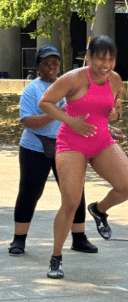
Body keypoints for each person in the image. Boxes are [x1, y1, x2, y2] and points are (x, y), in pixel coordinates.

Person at [39, 36, 128, 279]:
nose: (106, 64)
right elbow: (46, 103)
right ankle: (56, 257)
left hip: (102, 140)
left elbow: (116, 108)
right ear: (89, 57)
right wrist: (71, 121)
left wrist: (115, 113)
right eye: (101, 58)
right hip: (71, 142)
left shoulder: (115, 79)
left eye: (111, 59)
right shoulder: (73, 79)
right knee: (71, 202)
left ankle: (100, 210)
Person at [8, 45, 98, 257]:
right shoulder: (33, 89)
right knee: (30, 193)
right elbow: (28, 121)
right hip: (35, 146)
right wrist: (56, 112)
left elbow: (86, 115)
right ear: (39, 65)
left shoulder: (68, 86)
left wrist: (108, 127)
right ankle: (18, 240)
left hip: (67, 146)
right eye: (46, 62)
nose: (51, 66)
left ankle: (79, 238)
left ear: (59, 65)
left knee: (74, 192)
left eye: (55, 62)